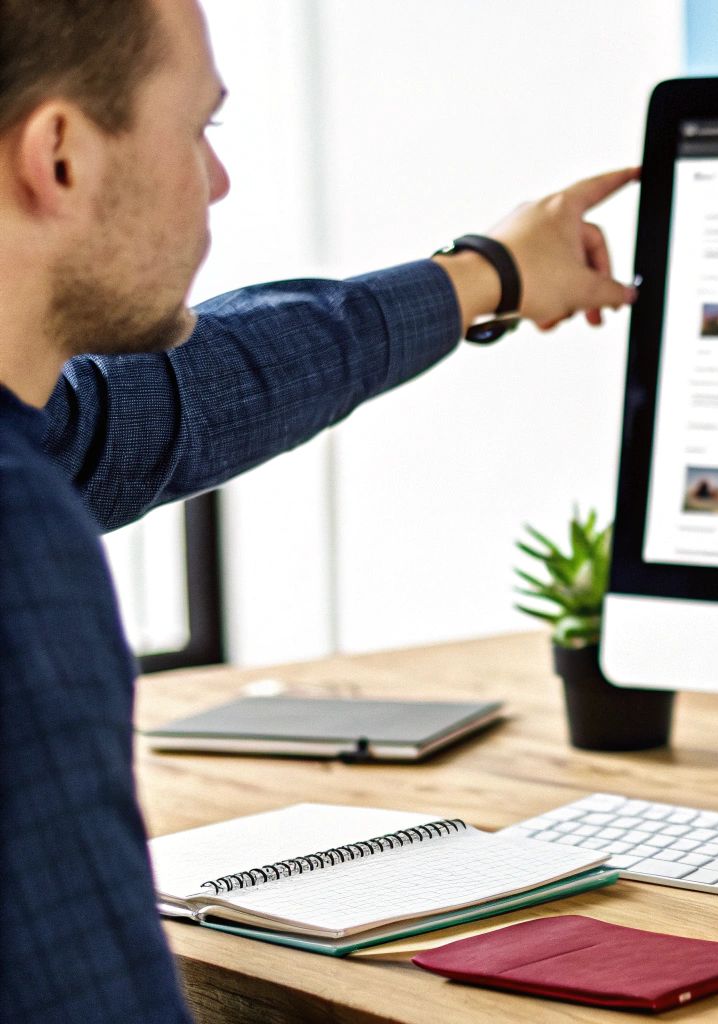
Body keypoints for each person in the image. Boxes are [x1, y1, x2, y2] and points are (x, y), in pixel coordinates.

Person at [0, 2, 636, 1020]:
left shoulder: (30, 441)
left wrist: (490, 275)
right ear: (60, 155)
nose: (218, 180)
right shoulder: (15, 532)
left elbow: (182, 400)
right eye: (199, 128)